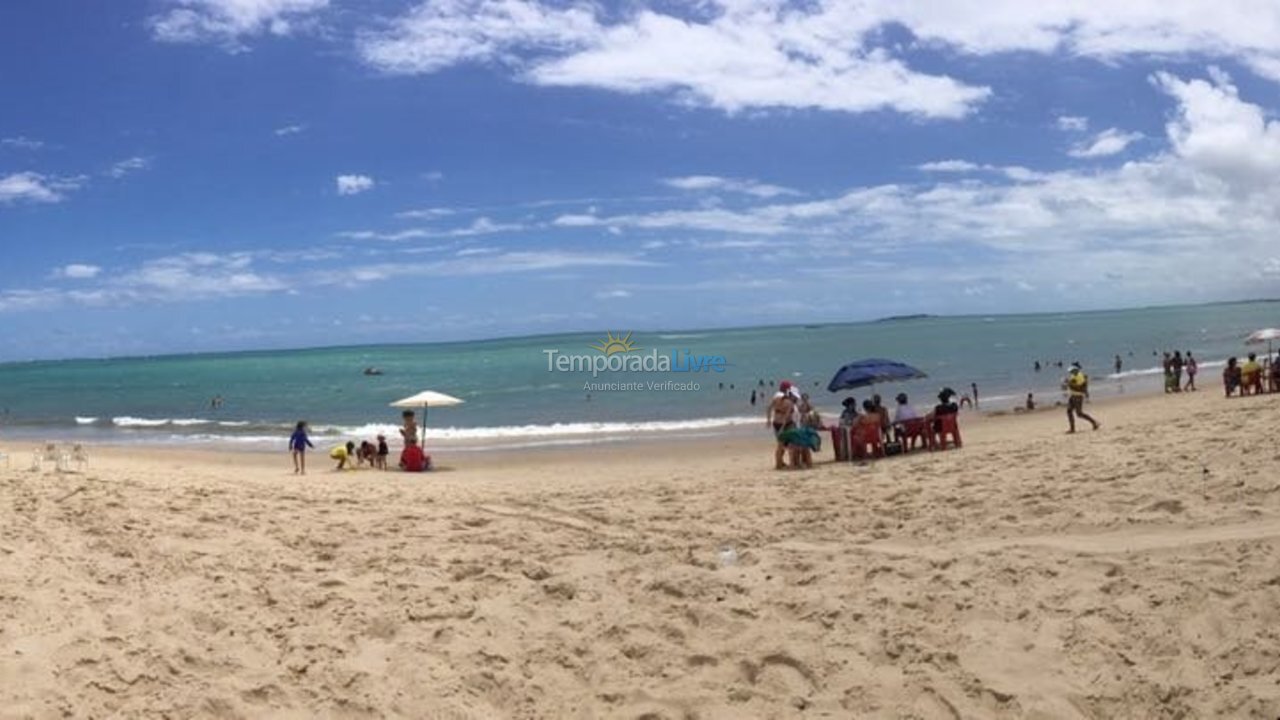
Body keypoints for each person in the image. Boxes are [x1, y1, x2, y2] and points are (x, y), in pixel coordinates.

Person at [767, 384, 798, 470]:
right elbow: (787, 416)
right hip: (786, 424)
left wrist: (768, 420)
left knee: (780, 445)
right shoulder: (789, 403)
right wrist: (782, 428)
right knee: (791, 444)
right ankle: (792, 464)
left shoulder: (776, 399)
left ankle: (778, 464)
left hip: (776, 423)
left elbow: (768, 408)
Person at [1064, 363, 1099, 433]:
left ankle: (1094, 422)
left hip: (1078, 396)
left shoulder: (1080, 377)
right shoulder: (1074, 375)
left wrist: (1070, 384)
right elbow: (1073, 385)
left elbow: (1080, 388)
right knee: (1069, 411)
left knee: (1079, 413)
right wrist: (1069, 383)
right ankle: (1072, 428)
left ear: (1076, 370)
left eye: (1072, 371)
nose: (1070, 372)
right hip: (1073, 395)